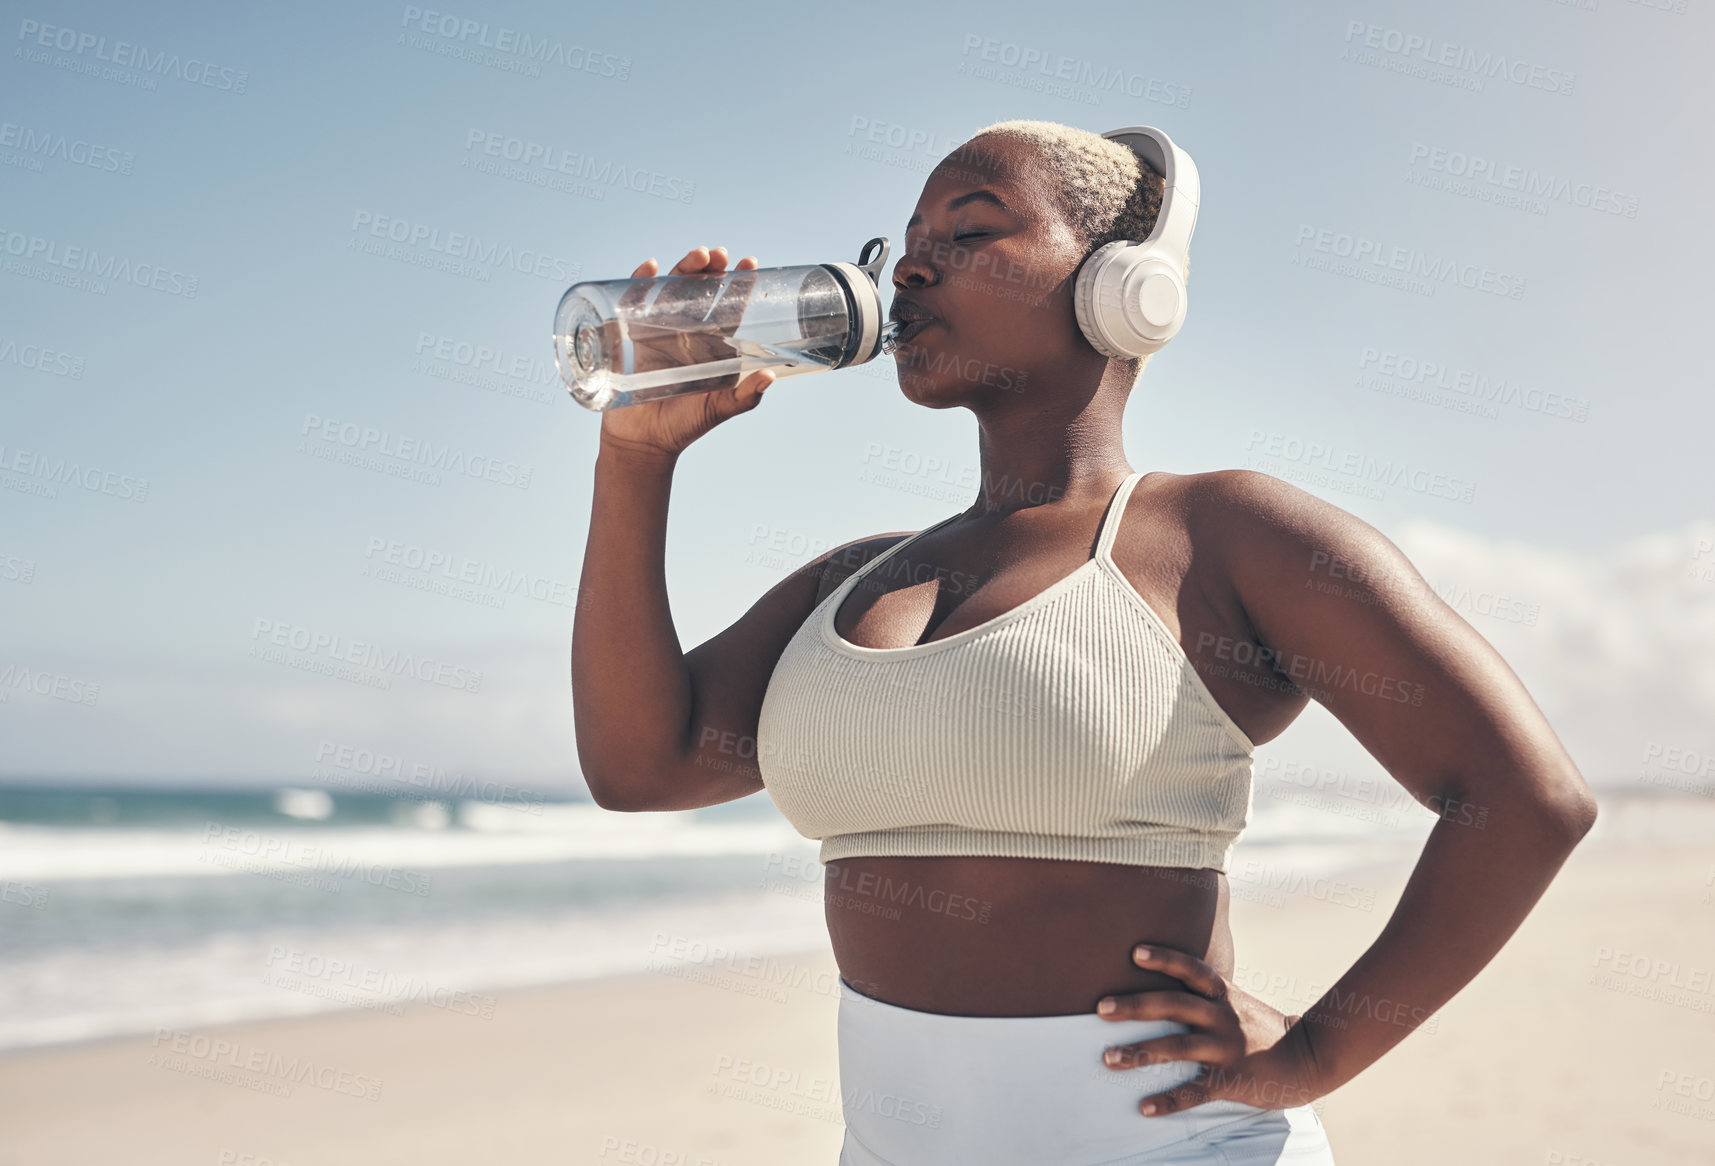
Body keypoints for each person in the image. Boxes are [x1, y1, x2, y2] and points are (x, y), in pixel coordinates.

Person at [571, 119, 1598, 1165]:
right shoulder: (851, 578)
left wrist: (1316, 1049)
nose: (914, 261)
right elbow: (638, 766)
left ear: (1119, 284)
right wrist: (635, 456)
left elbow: (1523, 797)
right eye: (909, 234)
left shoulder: (1219, 536)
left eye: (971, 230)